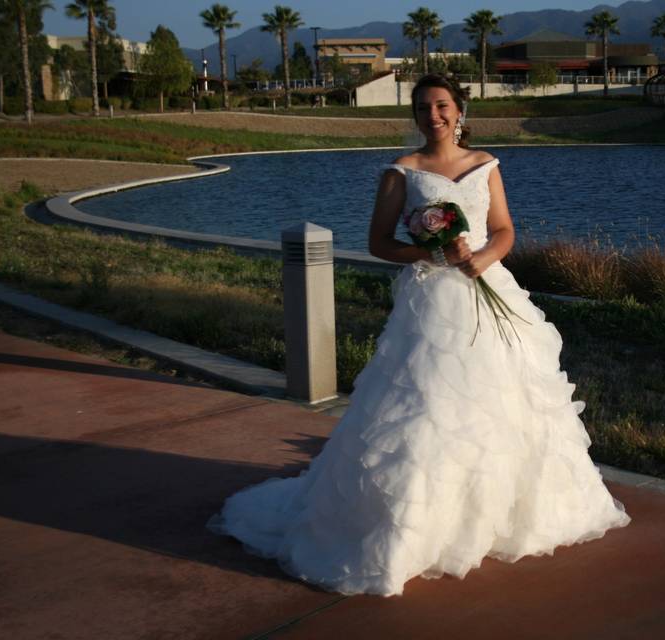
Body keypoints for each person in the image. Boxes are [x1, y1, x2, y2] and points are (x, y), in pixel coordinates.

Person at [207, 74, 630, 597]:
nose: (434, 116)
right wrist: (431, 252)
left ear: (460, 110)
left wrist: (481, 259)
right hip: (431, 300)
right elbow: (380, 242)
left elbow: (504, 230)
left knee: (501, 401)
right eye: (424, 108)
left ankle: (495, 513)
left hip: (486, 286)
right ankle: (411, 527)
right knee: (427, 403)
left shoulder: (487, 165)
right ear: (415, 116)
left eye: (443, 106)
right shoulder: (401, 172)